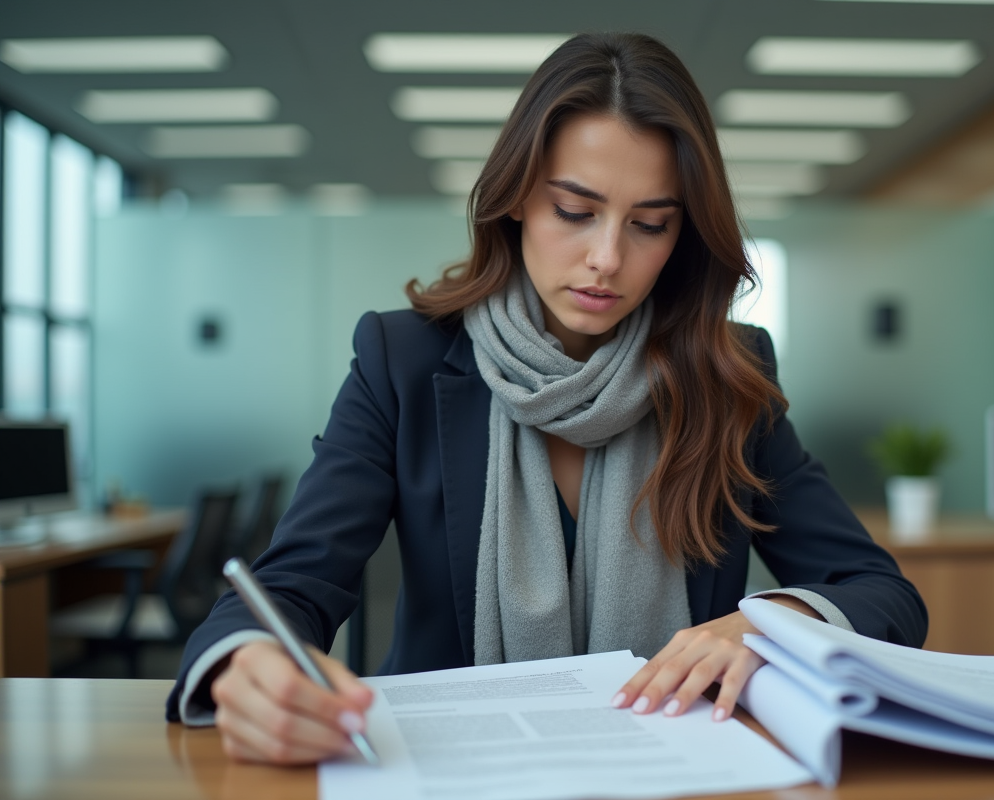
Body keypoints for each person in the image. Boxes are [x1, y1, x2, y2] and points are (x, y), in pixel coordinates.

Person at [166, 31, 926, 765]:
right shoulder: (402, 360)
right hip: (452, 772)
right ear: (516, 201)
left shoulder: (728, 376)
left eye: (650, 225)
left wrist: (770, 627)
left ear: (683, 236)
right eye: (574, 211)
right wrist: (248, 667)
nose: (607, 259)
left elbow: (881, 594)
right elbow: (291, 585)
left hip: (674, 770)